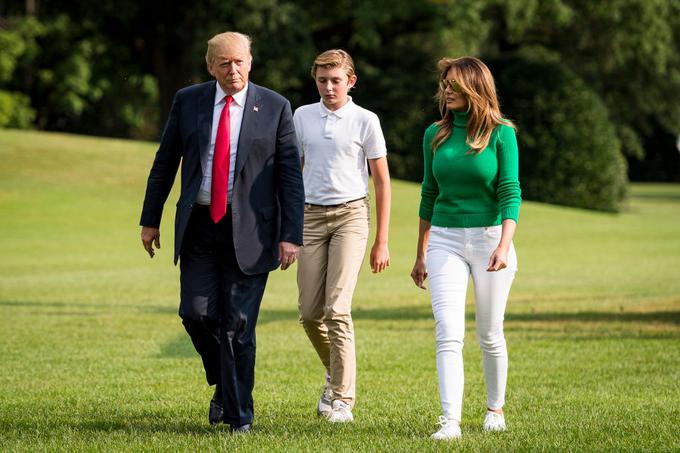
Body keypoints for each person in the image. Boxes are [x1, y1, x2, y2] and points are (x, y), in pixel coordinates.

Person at [139, 31, 304, 433]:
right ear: (210, 66)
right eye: (224, 63)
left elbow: (289, 176)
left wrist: (290, 234)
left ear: (251, 61)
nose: (234, 70)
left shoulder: (276, 106)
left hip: (252, 231)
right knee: (195, 314)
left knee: (238, 325)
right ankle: (224, 381)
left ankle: (238, 418)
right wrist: (150, 218)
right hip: (199, 225)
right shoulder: (188, 101)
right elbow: (165, 162)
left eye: (240, 61)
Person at [410, 56, 521, 440]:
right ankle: (450, 422)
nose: (446, 90)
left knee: (489, 333)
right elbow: (429, 193)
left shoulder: (502, 133)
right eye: (444, 83)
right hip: (445, 241)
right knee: (448, 331)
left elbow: (510, 191)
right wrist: (421, 252)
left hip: (492, 240)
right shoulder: (434, 135)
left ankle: (495, 409)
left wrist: (505, 245)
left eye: (454, 84)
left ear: (475, 87)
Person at [293, 49, 391, 423]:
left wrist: (381, 240)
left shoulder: (365, 120)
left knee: (337, 308)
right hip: (309, 218)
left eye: (336, 80)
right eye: (322, 80)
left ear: (351, 81)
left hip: (352, 215)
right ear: (315, 81)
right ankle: (335, 372)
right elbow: (294, 171)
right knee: (308, 313)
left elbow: (382, 181)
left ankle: (342, 401)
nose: (329, 87)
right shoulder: (302, 116)